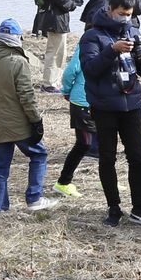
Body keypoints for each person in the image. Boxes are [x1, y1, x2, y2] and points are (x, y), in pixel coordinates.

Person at [80, 0, 141, 228]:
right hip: (104, 106)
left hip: (131, 104)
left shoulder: (132, 31)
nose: (125, 19)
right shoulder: (92, 36)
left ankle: (139, 207)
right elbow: (90, 69)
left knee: (136, 157)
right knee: (107, 158)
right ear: (110, 10)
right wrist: (112, 50)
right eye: (122, 14)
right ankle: (113, 207)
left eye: (129, 15)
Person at [0, 18, 57, 214]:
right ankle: (34, 198)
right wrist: (36, 121)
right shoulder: (18, 61)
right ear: (17, 38)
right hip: (18, 123)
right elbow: (27, 96)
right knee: (39, 154)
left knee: (0, 167)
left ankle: (0, 208)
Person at [34, 0, 82, 93]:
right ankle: (50, 84)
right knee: (57, 52)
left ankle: (52, 82)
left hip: (49, 15)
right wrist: (72, 4)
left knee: (54, 50)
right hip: (56, 19)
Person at [51, 38, 93, 200]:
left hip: (101, 102)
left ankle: (108, 180)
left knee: (105, 143)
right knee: (84, 144)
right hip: (82, 102)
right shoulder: (87, 43)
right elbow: (70, 71)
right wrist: (66, 90)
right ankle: (63, 182)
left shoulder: (112, 40)